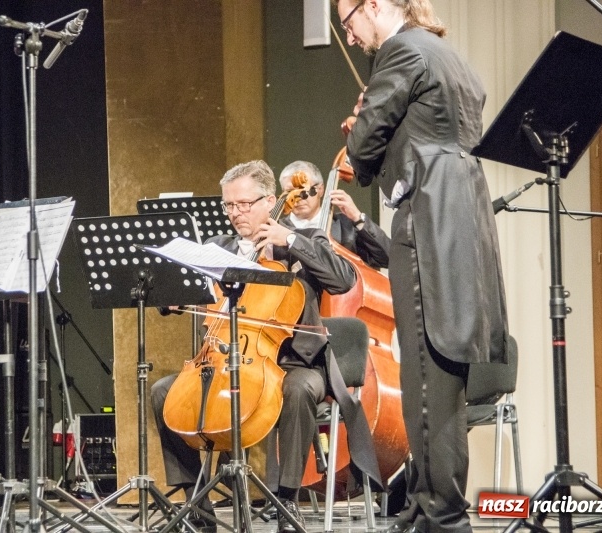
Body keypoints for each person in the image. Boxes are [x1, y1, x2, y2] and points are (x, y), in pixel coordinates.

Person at [334, 1, 509, 533]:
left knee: (427, 371)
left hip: (427, 217)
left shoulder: (400, 51)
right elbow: (434, 132)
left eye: (349, 21)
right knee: (441, 366)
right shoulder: (449, 57)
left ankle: (441, 513)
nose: (352, 35)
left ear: (378, 6)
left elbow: (364, 147)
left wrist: (360, 131)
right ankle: (426, 500)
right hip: (463, 216)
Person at [151, 160, 381, 533]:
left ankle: (286, 501)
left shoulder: (305, 240)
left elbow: (341, 280)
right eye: (229, 206)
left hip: (294, 361)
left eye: (244, 204)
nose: (236, 214)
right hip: (227, 358)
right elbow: (176, 292)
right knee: (164, 392)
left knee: (298, 388)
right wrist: (172, 298)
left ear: (270, 200)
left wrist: (289, 241)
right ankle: (199, 505)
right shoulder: (217, 247)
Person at [278, 160, 390, 269]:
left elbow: (388, 258)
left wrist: (358, 218)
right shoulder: (277, 229)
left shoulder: (346, 226)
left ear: (320, 189)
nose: (298, 198)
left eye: (303, 190)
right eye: (289, 191)